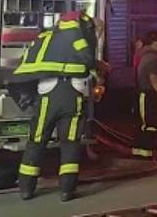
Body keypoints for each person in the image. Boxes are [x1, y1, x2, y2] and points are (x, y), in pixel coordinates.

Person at [13, 11, 99, 202]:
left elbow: (27, 63)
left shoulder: (45, 37)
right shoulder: (78, 36)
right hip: (73, 95)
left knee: (37, 140)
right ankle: (66, 190)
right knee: (70, 143)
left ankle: (26, 188)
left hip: (46, 94)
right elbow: (88, 60)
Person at [131, 30, 157, 160]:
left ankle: (140, 155)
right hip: (148, 95)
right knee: (150, 125)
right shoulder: (153, 57)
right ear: (155, 42)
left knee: (143, 124)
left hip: (143, 94)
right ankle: (147, 157)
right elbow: (154, 78)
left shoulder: (143, 55)